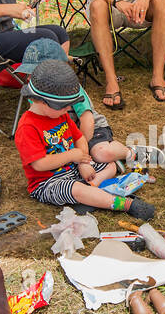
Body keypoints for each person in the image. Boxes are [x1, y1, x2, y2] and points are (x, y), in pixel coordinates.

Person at [14, 60, 155, 220]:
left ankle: (91, 191)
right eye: (65, 105)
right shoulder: (27, 127)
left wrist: (83, 163)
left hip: (73, 169)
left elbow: (79, 138)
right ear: (43, 102)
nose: (69, 109)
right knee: (76, 189)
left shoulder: (59, 114)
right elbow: (39, 164)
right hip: (48, 182)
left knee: (109, 165)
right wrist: (73, 155)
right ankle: (125, 204)